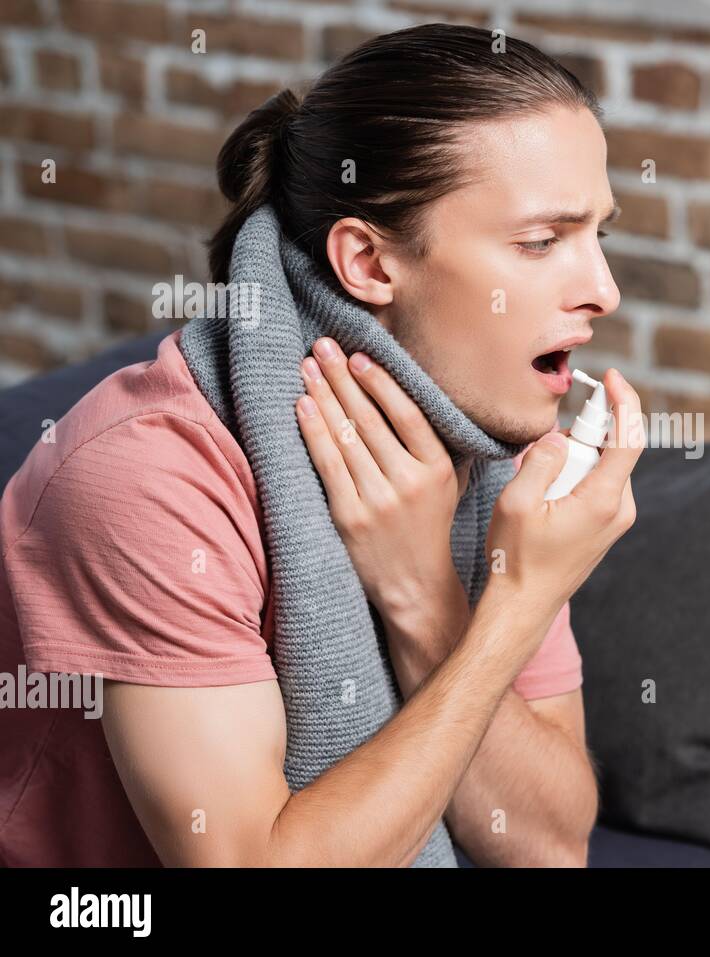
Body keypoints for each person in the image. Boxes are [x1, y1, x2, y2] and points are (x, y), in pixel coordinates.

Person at [0, 22, 642, 867]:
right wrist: (516, 604)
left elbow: (550, 846)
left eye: (600, 232)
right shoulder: (147, 475)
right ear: (369, 263)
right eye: (540, 242)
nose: (604, 289)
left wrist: (428, 601)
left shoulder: (490, 437)